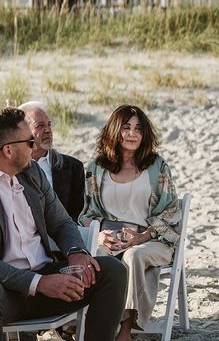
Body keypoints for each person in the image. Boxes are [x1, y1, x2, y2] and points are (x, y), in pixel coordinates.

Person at [0, 107, 127, 340]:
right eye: (29, 141)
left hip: (48, 277)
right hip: (8, 292)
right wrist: (39, 283)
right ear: (8, 150)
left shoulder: (32, 174)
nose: (34, 146)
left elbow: (61, 222)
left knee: (112, 272)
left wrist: (76, 252)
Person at [79, 105, 181, 341]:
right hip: (111, 236)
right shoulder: (97, 168)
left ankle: (127, 329)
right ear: (115, 131)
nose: (132, 134)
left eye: (138, 128)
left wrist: (143, 236)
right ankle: (90, 324)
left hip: (152, 239)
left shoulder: (157, 166)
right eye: (126, 128)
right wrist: (100, 234)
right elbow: (86, 213)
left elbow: (172, 210)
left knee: (133, 256)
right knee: (97, 255)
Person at [19, 101, 85, 222]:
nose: (48, 130)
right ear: (23, 131)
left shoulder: (73, 167)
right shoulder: (11, 167)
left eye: (49, 125)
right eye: (40, 126)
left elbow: (77, 213)